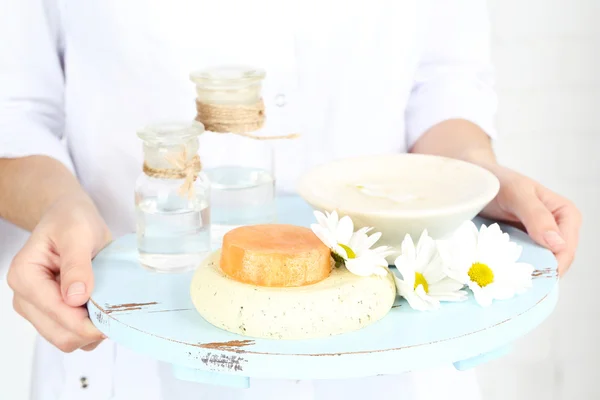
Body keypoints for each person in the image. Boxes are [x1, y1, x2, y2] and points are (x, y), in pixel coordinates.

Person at [0, 0, 581, 399]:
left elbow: (443, 78)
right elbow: (16, 109)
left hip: (389, 352)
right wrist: (57, 204)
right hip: (133, 356)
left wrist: (473, 175)